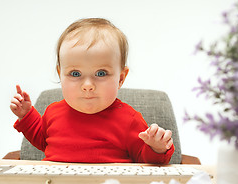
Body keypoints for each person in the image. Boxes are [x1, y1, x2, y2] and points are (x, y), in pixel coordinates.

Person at [10, 18, 174, 164]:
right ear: (61, 75)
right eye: (75, 74)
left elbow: (144, 159)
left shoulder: (130, 120)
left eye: (101, 73)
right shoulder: (53, 112)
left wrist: (156, 148)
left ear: (120, 78)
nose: (87, 85)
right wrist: (26, 116)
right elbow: (42, 140)